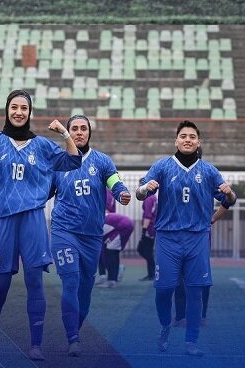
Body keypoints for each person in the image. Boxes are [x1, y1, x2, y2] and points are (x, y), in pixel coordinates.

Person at [0, 89, 81, 361]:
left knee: (34, 281)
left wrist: (64, 133)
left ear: (30, 112)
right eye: (14, 107)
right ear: (7, 111)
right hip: (2, 219)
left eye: (24, 108)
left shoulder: (43, 145)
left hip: (32, 218)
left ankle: (36, 344)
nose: (19, 112)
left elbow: (73, 160)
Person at [136, 120, 236, 356]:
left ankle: (191, 341)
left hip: (197, 239)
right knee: (163, 289)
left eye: (192, 136)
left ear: (198, 142)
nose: (188, 139)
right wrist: (145, 188)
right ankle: (165, 326)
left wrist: (230, 193)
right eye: (183, 136)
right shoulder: (162, 166)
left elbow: (229, 201)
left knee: (195, 291)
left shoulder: (209, 170)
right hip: (167, 238)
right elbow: (140, 194)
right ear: (176, 141)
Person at [49, 114, 131, 357]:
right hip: (64, 231)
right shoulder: (58, 163)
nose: (79, 132)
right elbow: (43, 192)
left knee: (85, 288)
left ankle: (74, 329)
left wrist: (122, 193)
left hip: (92, 236)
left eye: (83, 128)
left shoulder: (102, 161)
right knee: (71, 281)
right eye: (74, 128)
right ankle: (72, 338)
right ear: (68, 132)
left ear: (89, 133)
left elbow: (115, 183)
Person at [96, 213, 135, 288]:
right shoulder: (100, 218)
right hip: (125, 225)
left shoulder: (99, 223)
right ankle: (114, 278)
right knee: (113, 252)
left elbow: (100, 239)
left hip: (123, 226)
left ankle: (112, 280)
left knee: (110, 253)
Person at [137, 184, 158, 281]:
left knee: (143, 249)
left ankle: (152, 273)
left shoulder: (148, 199)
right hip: (153, 227)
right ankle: (151, 273)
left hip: (149, 228)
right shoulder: (154, 198)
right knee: (147, 251)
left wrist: (144, 230)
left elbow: (148, 215)